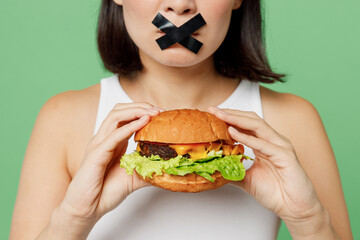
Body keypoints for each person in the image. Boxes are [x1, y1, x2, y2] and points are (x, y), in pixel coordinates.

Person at [10, 0, 352, 239]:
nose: (179, 5)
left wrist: (308, 220)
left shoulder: (292, 122)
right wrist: (75, 218)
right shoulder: (63, 119)